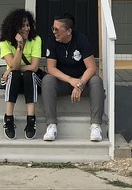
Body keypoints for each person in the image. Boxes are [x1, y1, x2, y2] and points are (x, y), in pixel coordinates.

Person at [41, 13, 105, 142]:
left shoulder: (81, 40)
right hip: (63, 83)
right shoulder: (52, 41)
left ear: (69, 31)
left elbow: (92, 67)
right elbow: (51, 68)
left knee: (97, 81)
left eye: (57, 29)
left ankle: (96, 126)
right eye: (53, 28)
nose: (54, 32)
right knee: (47, 80)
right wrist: (71, 80)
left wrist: (80, 84)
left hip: (82, 83)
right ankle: (51, 125)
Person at [0, 8, 41, 139]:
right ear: (15, 28)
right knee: (14, 75)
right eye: (23, 26)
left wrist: (10, 69)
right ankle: (9, 119)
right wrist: (19, 46)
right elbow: (15, 66)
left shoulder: (36, 40)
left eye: (28, 25)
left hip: (31, 80)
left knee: (28, 74)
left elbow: (34, 67)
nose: (27, 29)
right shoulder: (4, 42)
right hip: (13, 81)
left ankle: (31, 119)